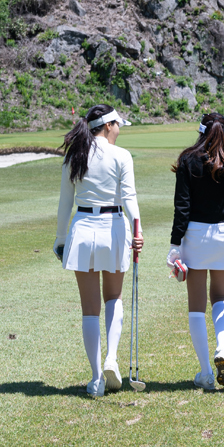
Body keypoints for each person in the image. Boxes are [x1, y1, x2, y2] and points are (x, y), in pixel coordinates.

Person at [55, 105, 144, 398]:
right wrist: (137, 229)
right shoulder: (122, 155)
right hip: (113, 227)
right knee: (113, 297)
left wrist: (60, 239)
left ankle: (96, 378)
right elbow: (129, 197)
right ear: (107, 126)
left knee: (89, 309)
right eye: (118, 125)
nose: (119, 129)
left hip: (82, 229)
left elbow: (65, 203)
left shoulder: (76, 154)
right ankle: (111, 359)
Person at [168, 113, 224, 390]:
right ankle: (222, 349)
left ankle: (207, 372)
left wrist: (175, 245)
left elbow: (182, 207)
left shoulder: (187, 159)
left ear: (200, 131)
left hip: (195, 235)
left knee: (196, 304)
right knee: (220, 296)